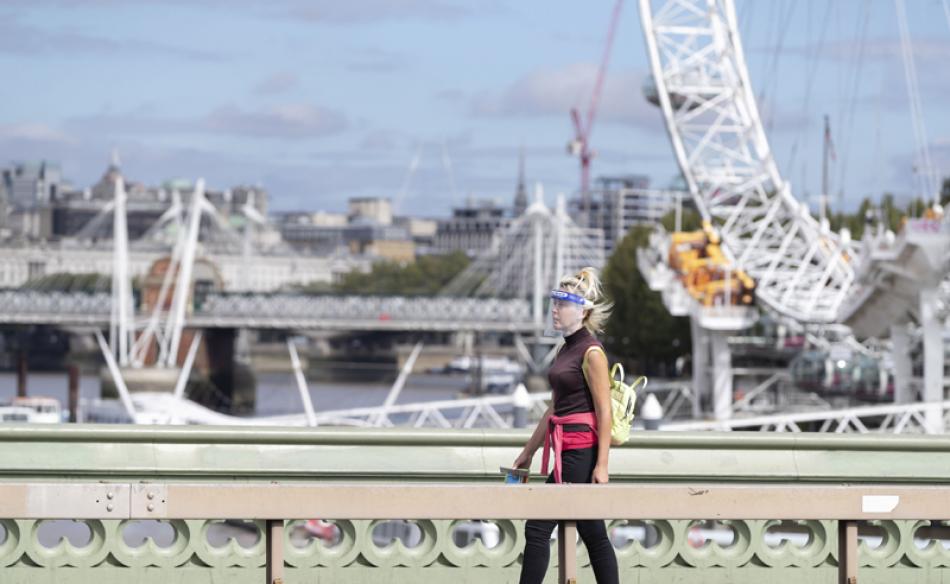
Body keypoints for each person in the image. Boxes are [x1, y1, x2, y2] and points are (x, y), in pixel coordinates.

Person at [512, 267, 619, 584]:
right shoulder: (565, 349)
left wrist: (602, 465)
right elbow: (554, 409)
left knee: (539, 526)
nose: (555, 310)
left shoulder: (592, 353)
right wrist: (528, 452)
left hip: (581, 450)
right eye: (554, 303)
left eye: (562, 304)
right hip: (565, 448)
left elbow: (604, 410)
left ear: (582, 311)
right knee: (592, 530)